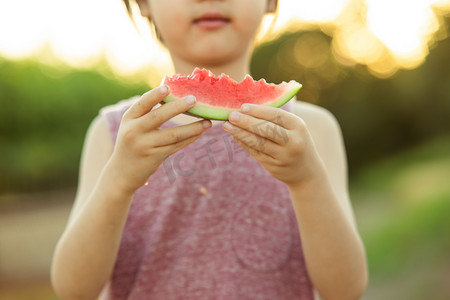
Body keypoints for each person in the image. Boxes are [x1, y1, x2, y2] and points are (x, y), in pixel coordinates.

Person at [51, 0, 368, 299]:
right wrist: (117, 182)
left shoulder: (309, 131)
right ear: (143, 3)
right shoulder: (115, 134)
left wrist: (306, 179)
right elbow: (73, 290)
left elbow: (345, 290)